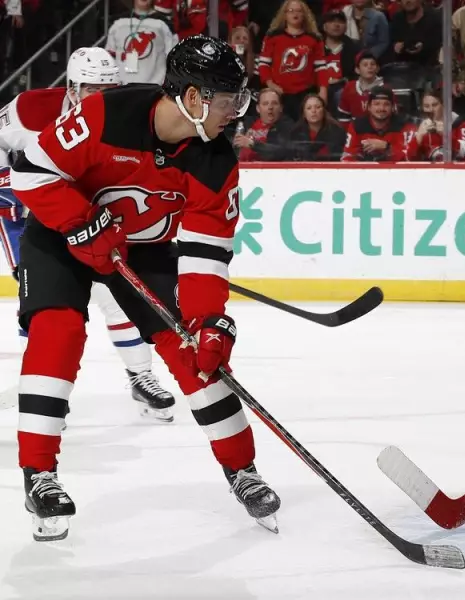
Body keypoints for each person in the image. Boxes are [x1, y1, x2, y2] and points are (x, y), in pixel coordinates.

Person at [10, 35, 280, 542]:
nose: (235, 113)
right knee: (58, 332)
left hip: (139, 246)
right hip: (60, 235)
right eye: (227, 101)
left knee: (195, 351)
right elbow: (29, 174)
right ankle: (39, 475)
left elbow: (205, 255)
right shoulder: (104, 114)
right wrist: (79, 222)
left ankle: (242, 470)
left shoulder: (216, 161)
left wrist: (207, 322)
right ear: (195, 98)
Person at [0, 47, 176, 423]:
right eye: (95, 90)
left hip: (94, 216)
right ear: (73, 88)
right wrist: (7, 183)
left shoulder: (124, 115)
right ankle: (41, 387)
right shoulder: (30, 109)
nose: (104, 98)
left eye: (110, 89)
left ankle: (141, 375)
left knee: (118, 294)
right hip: (37, 220)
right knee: (43, 306)